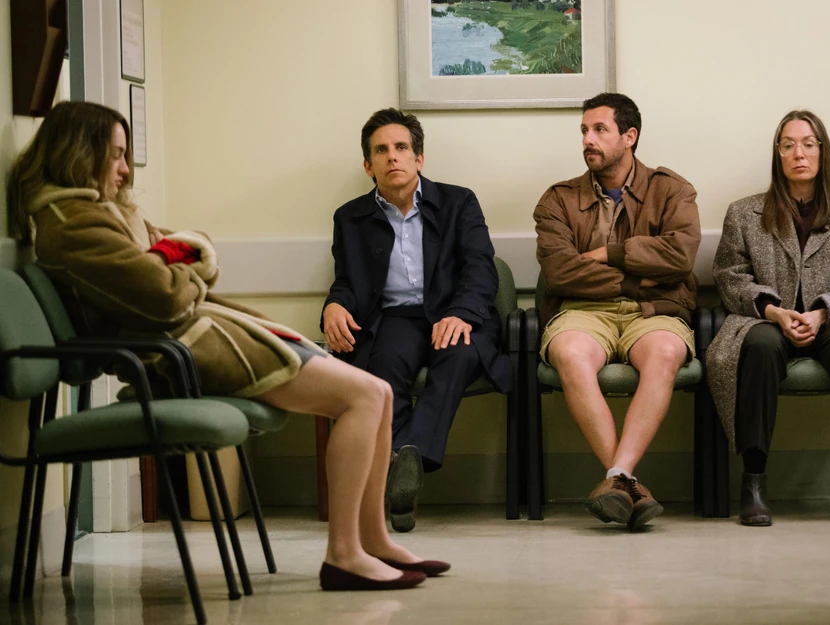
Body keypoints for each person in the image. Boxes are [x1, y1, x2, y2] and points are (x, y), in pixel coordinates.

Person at [7, 101, 449, 591]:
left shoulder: (106, 215)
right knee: (364, 396)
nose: (125, 168)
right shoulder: (75, 224)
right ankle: (344, 555)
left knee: (379, 394)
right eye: (115, 155)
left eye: (124, 154)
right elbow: (164, 294)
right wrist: (183, 269)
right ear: (79, 153)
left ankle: (375, 540)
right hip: (181, 353)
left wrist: (175, 265)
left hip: (198, 337)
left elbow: (184, 252)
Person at [706, 110, 830, 526]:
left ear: (822, 152)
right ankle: (753, 483)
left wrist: (821, 313)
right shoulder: (743, 214)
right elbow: (730, 276)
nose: (798, 153)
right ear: (778, 154)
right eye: (788, 145)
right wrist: (773, 311)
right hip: (768, 321)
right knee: (759, 345)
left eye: (808, 144)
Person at [321, 108, 511, 532]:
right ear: (368, 165)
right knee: (384, 370)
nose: (393, 157)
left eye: (401, 147)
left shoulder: (459, 202)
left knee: (457, 356)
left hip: (454, 314)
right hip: (396, 318)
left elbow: (480, 267)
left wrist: (461, 313)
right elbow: (347, 282)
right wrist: (333, 306)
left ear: (419, 158)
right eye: (381, 150)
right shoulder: (350, 218)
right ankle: (407, 465)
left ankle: (403, 460)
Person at [533, 93, 701, 529]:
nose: (587, 140)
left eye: (599, 130)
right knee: (569, 353)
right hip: (584, 310)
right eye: (584, 131)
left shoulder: (672, 190)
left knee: (665, 352)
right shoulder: (557, 200)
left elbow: (680, 258)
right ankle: (626, 482)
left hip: (654, 309)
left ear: (630, 136)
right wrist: (634, 277)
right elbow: (560, 272)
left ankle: (616, 479)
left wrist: (610, 254)